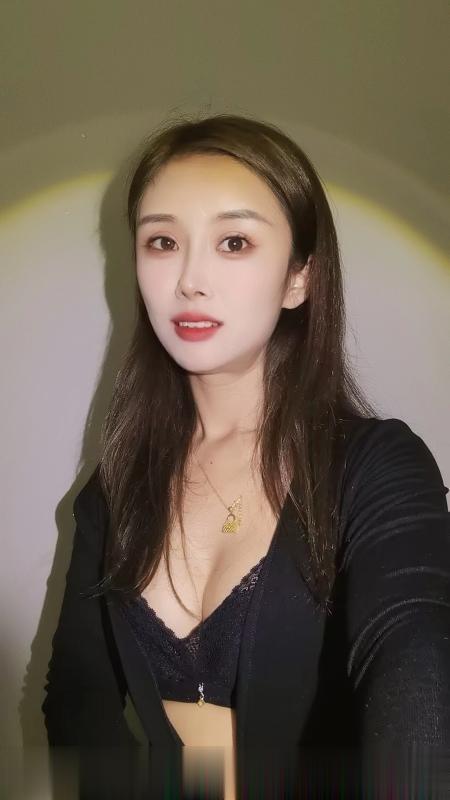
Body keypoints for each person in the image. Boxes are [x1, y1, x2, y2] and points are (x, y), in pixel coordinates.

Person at [42, 113, 450, 799]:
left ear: (299, 279)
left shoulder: (378, 466)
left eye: (234, 242)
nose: (189, 280)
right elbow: (76, 697)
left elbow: (416, 658)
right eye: (163, 241)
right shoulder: (115, 487)